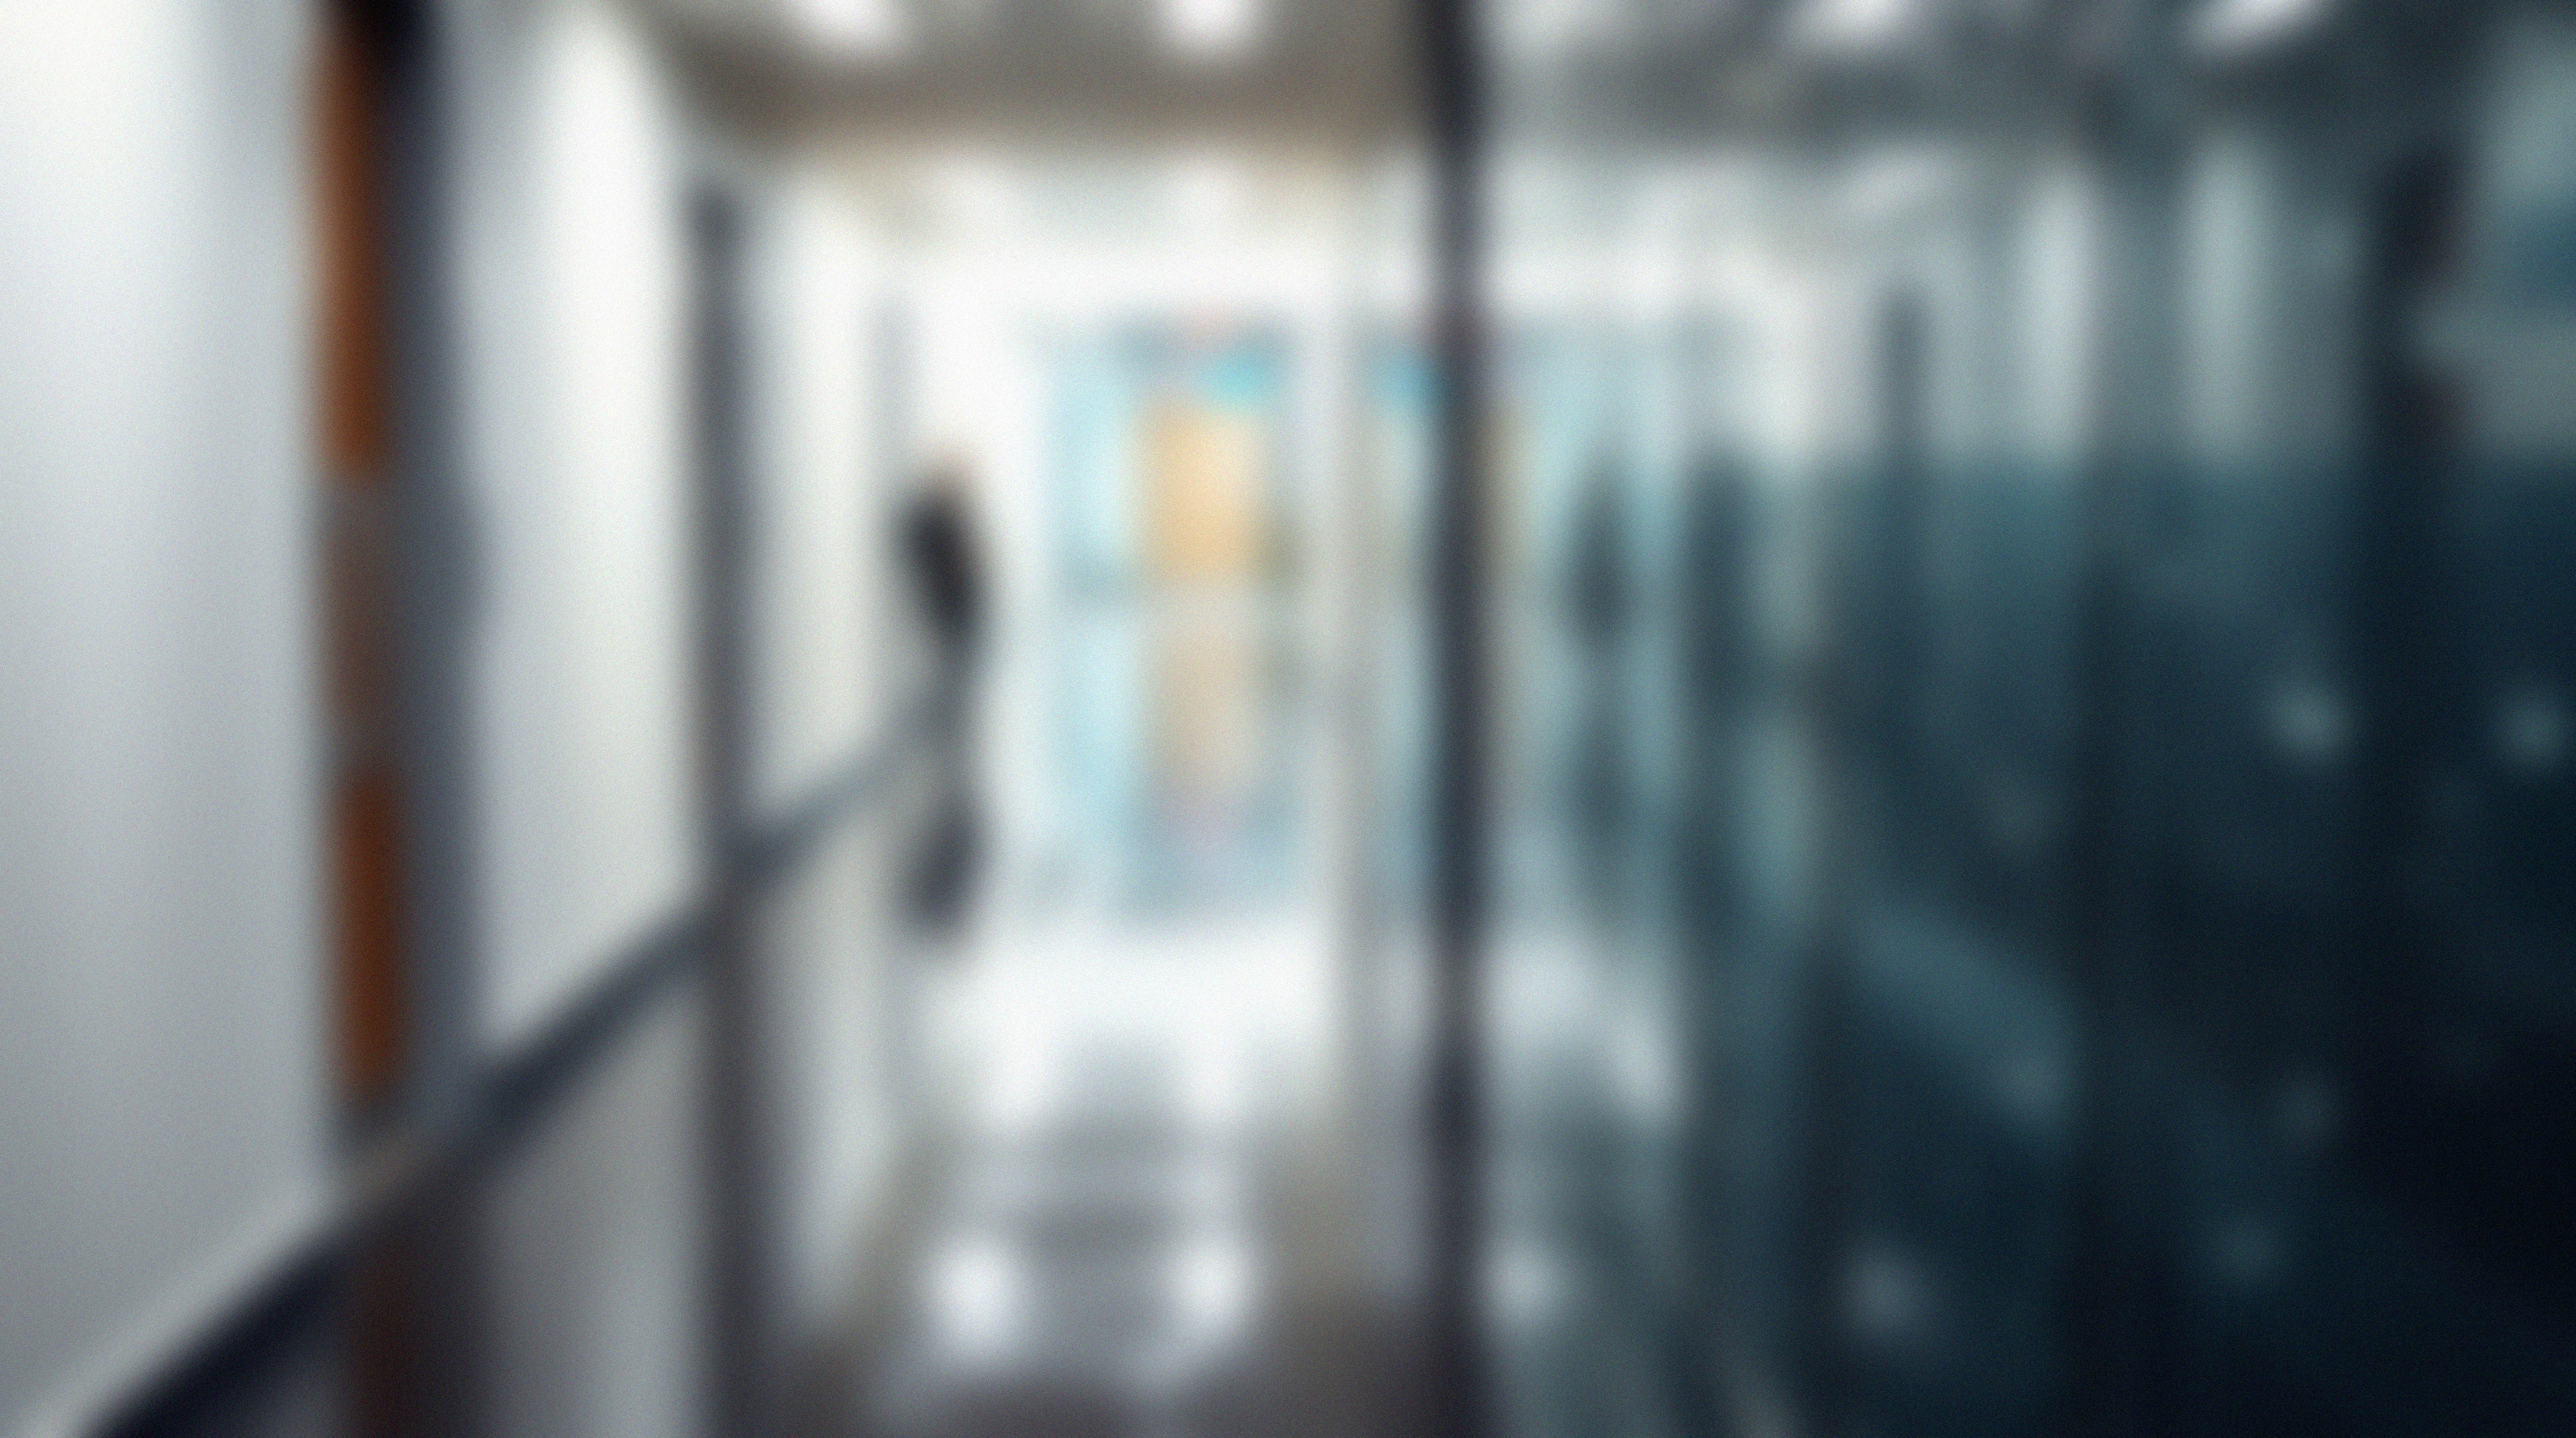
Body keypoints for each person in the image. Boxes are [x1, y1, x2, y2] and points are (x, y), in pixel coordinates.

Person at [898, 460, 985, 931]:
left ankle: (952, 728)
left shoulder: (945, 519)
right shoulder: (933, 522)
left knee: (956, 674)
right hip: (949, 609)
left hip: (955, 610)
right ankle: (950, 728)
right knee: (952, 673)